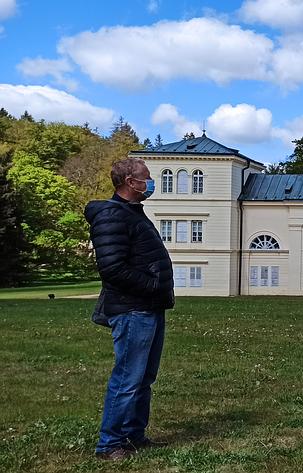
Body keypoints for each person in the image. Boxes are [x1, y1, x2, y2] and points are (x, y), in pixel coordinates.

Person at [84, 158, 174, 460]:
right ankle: (109, 444)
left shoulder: (133, 213)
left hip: (149, 307)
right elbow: (112, 268)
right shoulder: (112, 216)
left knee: (144, 377)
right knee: (127, 378)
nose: (151, 183)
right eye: (146, 177)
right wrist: (153, 285)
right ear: (129, 182)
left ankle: (134, 435)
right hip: (133, 309)